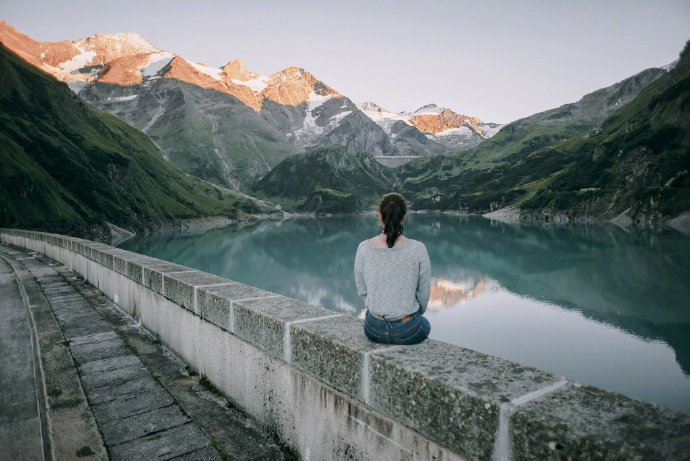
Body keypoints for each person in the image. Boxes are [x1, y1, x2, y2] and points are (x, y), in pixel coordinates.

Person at [354, 193, 431, 345]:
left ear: (380, 216)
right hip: (406, 329)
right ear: (405, 216)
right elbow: (424, 293)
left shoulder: (364, 248)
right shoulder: (418, 249)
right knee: (425, 324)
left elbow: (362, 290)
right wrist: (410, 314)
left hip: (373, 329)